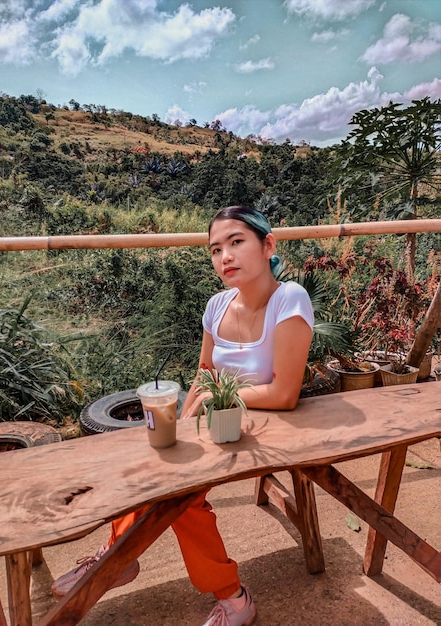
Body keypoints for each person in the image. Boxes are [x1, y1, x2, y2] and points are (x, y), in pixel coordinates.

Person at [51, 205, 314, 626]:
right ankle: (128, 557)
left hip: (270, 430)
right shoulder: (216, 306)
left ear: (268, 245)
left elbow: (284, 394)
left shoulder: (289, 298)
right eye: (215, 249)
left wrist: (215, 402)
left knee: (177, 497)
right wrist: (184, 424)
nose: (224, 257)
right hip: (220, 427)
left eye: (236, 242)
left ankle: (206, 587)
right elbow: (204, 375)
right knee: (151, 462)